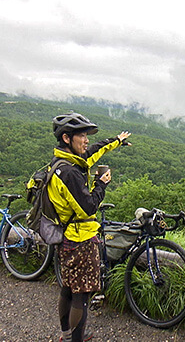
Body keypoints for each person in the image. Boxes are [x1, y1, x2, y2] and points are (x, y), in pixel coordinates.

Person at [49, 112, 131, 342]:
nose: (85, 140)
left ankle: (66, 335)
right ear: (67, 138)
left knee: (67, 288)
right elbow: (89, 208)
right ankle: (74, 340)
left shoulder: (62, 163)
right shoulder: (69, 173)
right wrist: (100, 185)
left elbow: (94, 150)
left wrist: (116, 140)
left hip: (65, 237)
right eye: (81, 135)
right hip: (80, 239)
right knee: (81, 296)